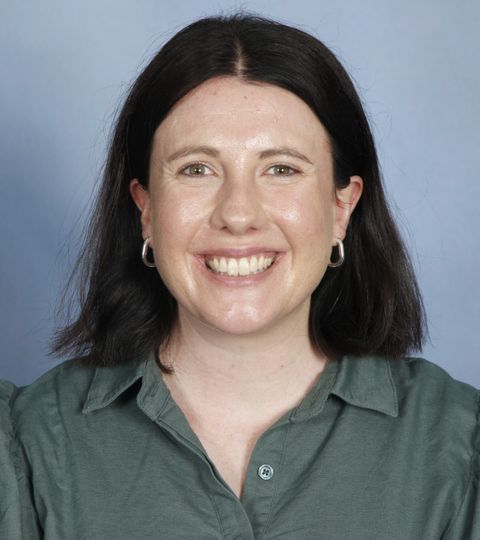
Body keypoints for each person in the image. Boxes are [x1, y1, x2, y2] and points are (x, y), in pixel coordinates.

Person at [1, 13, 478, 539]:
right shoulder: (25, 446)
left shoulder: (458, 446)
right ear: (146, 209)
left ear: (342, 207)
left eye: (281, 169)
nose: (238, 213)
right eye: (196, 169)